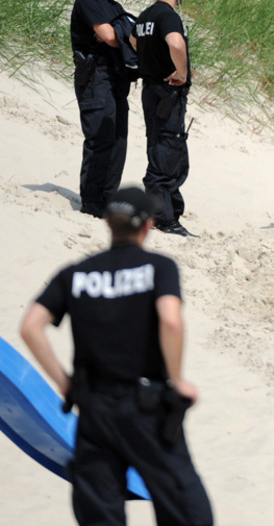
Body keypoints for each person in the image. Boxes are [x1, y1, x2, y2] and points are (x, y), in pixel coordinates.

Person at [20, 187, 213, 525]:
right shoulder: (159, 267)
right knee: (186, 510)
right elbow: (170, 319)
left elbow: (31, 326)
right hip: (146, 408)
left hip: (95, 408)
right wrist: (178, 379)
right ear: (148, 226)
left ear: (107, 222)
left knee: (100, 513)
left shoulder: (76, 273)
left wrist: (65, 383)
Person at [70, 0, 137, 218]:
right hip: (95, 77)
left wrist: (118, 33)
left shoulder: (114, 7)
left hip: (116, 77)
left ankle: (109, 200)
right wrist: (117, 33)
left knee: (119, 140)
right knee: (100, 138)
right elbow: (110, 36)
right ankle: (92, 201)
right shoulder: (87, 1)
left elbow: (130, 38)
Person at [135, 0, 195, 237]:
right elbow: (177, 44)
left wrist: (154, 60)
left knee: (160, 146)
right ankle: (165, 218)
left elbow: (133, 40)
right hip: (167, 92)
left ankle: (167, 213)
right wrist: (180, 73)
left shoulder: (146, 15)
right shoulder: (167, 15)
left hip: (151, 89)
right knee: (167, 151)